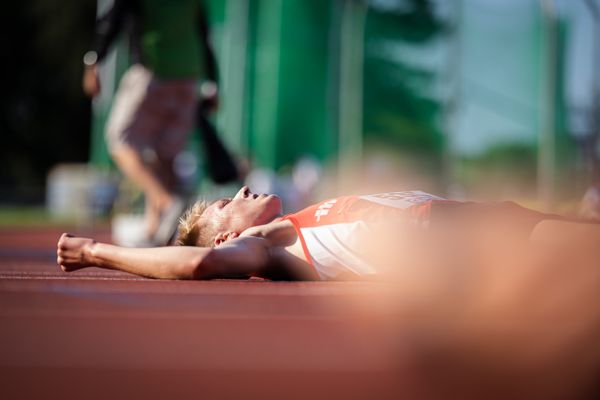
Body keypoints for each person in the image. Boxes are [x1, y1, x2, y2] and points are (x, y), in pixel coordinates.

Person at [56, 185, 588, 281]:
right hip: (472, 242)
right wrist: (96, 252)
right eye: (228, 204)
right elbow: (196, 264)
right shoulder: (267, 246)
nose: (243, 190)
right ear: (224, 238)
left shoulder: (297, 220)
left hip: (488, 218)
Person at [82, 0, 219, 245]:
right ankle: (156, 232)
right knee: (165, 154)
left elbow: (111, 21)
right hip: (189, 76)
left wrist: (94, 61)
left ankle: (165, 201)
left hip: (154, 71)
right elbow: (204, 33)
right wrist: (213, 82)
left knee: (119, 139)